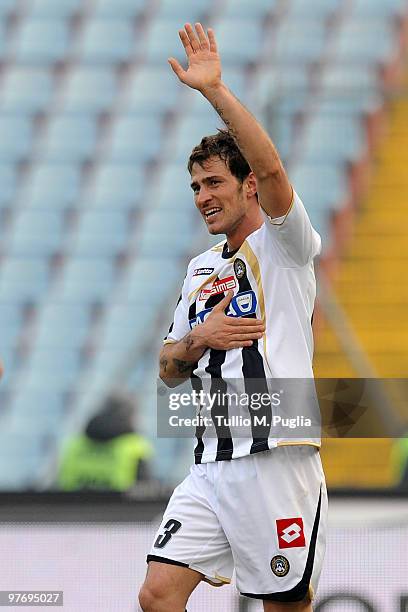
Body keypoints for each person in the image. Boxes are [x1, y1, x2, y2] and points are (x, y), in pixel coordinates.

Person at [139, 23, 327, 612]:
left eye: (214, 181)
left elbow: (273, 172)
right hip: (211, 461)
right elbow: (169, 370)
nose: (201, 196)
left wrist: (215, 91)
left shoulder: (285, 246)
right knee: (157, 596)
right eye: (194, 186)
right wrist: (197, 338)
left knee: (284, 609)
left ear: (247, 187)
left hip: (277, 461)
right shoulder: (198, 269)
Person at [58, 392, 153, 491]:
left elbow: (60, 485)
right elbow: (144, 492)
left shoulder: (73, 445)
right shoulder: (136, 447)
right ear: (130, 415)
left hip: (74, 505)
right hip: (118, 506)